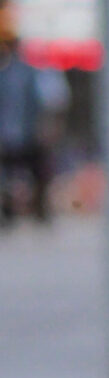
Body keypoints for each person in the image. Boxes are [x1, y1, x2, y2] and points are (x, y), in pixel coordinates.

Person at [0, 17, 52, 226]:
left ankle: (40, 211)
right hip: (7, 132)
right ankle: (8, 212)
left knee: (36, 171)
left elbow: (38, 102)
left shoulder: (29, 74)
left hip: (26, 132)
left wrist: (41, 127)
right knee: (8, 174)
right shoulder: (4, 74)